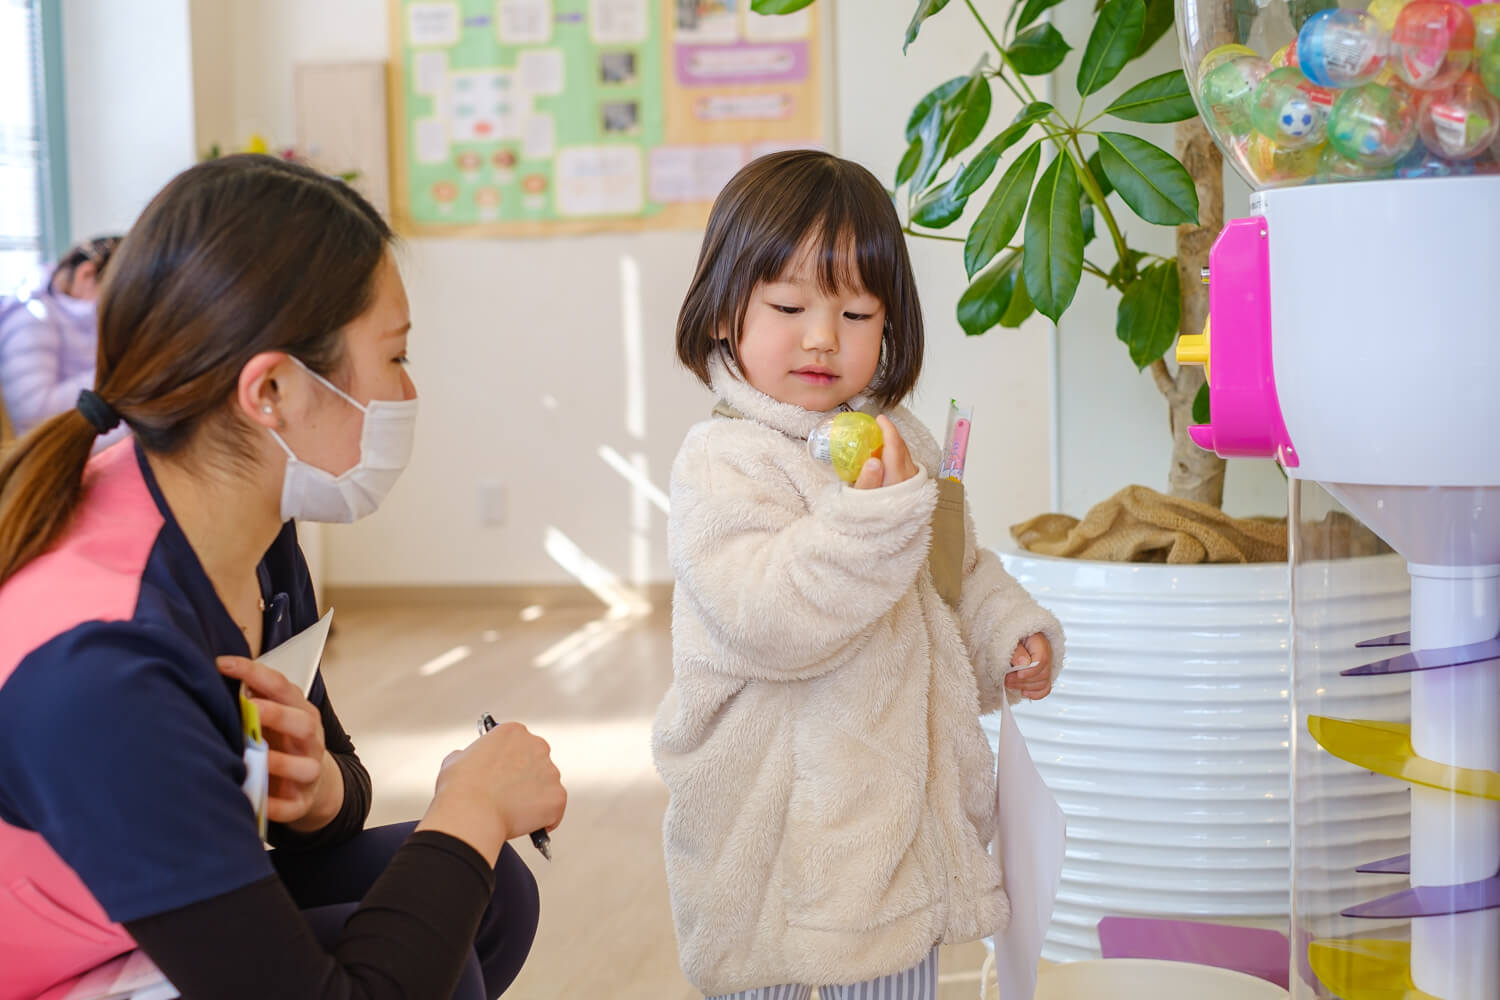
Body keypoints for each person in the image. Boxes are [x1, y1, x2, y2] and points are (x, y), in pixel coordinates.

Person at [0, 155, 566, 1000]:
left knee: (491, 899)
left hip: (118, 919)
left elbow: (335, 796)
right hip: (49, 967)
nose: (409, 390)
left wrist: (317, 789)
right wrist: (472, 810)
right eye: (396, 356)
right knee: (432, 936)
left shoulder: (243, 523)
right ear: (270, 390)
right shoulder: (103, 667)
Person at [652, 150, 1065, 1000]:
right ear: (726, 310)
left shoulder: (899, 439)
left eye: (856, 311)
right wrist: (873, 520)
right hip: (770, 842)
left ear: (891, 325)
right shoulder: (722, 463)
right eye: (790, 305)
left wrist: (1004, 632)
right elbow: (768, 617)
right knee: (770, 969)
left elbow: (950, 572)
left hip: (892, 831)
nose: (821, 337)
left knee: (895, 972)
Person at [0, 235, 127, 445]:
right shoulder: (31, 316)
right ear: (86, 274)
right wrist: (118, 371)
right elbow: (33, 411)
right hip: (48, 446)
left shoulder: (71, 315)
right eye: (116, 292)